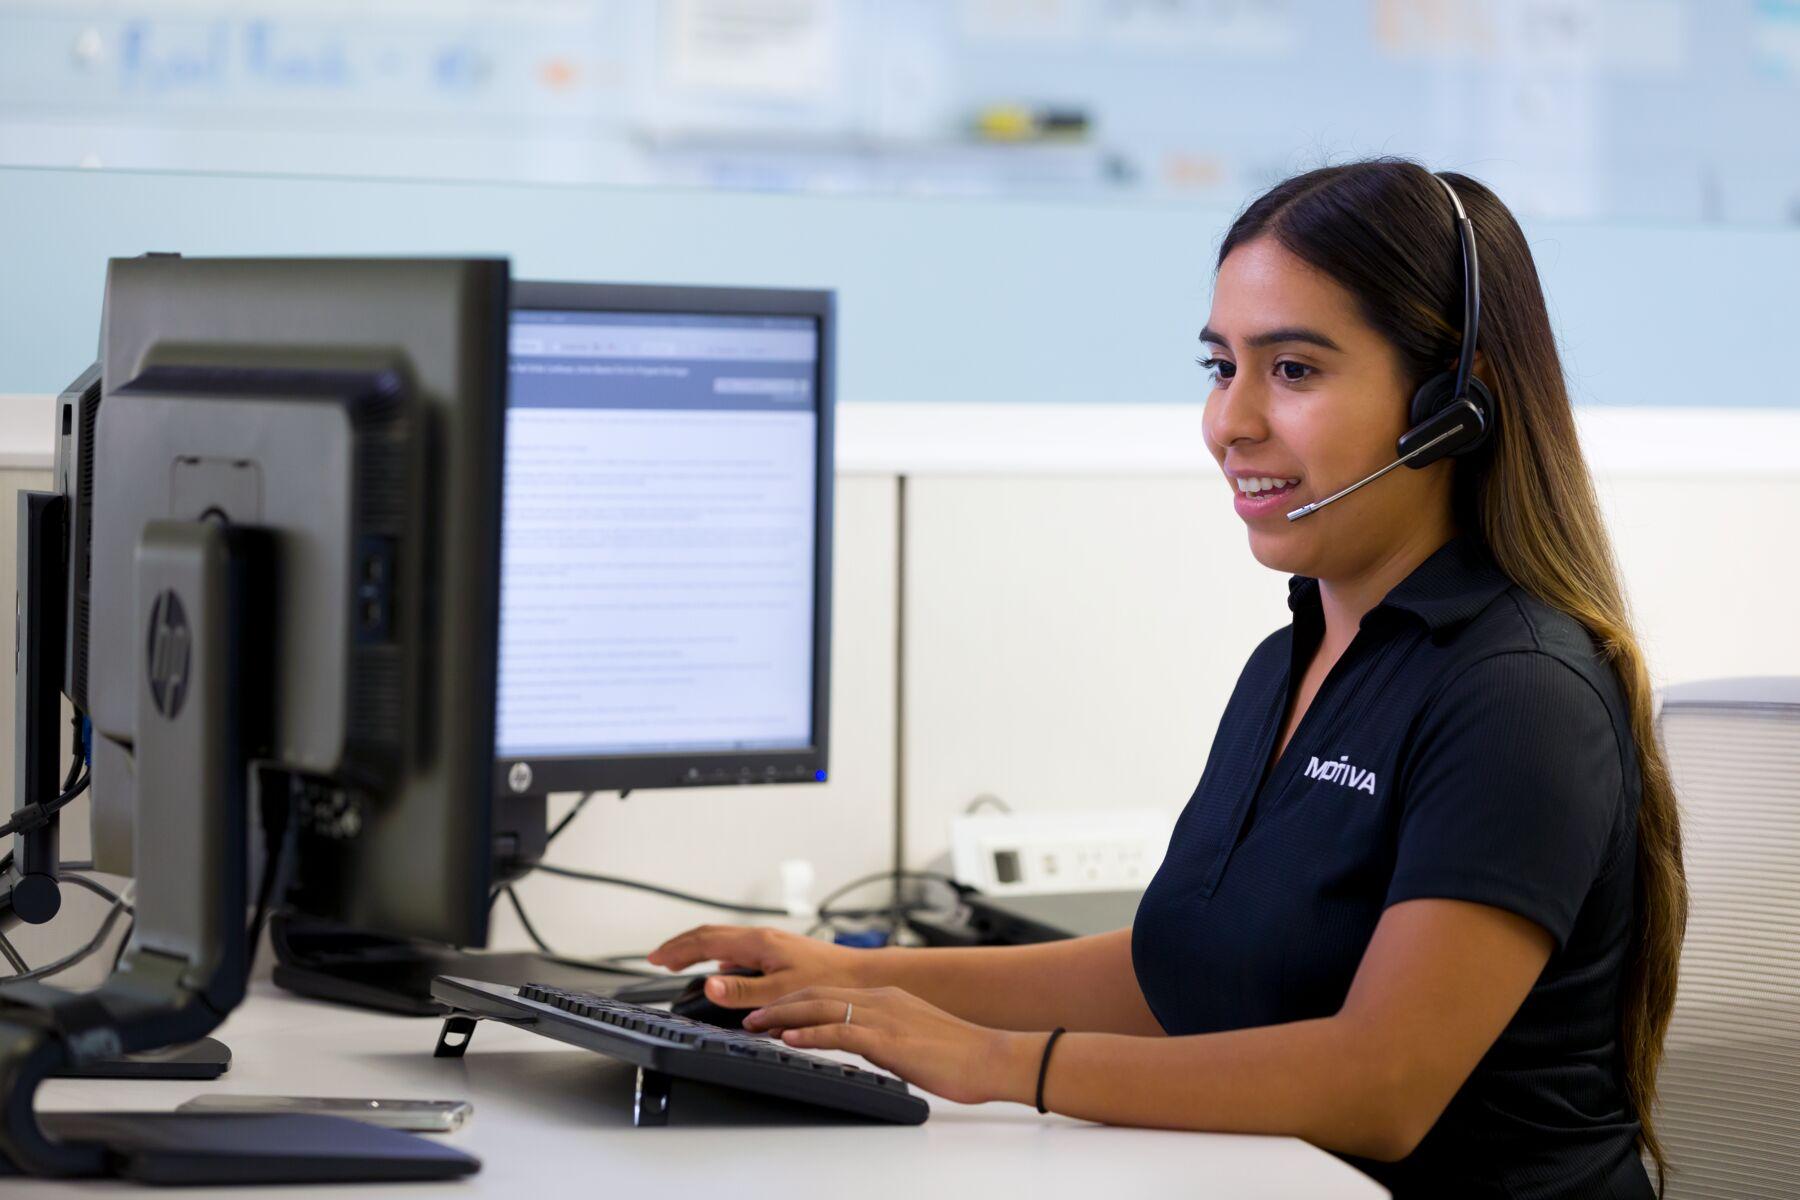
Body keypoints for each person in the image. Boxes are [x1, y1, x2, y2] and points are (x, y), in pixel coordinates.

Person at [647, 159, 1686, 1200]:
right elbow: (1177, 975)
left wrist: (1000, 1065)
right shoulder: (1290, 662)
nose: (1229, 423)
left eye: (1293, 370)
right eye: (1219, 367)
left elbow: (1383, 1083)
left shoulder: (1519, 695)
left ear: (1452, 404)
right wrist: (847, 974)